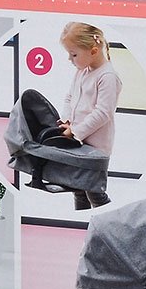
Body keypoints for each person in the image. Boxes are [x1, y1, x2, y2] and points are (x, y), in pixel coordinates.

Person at [59, 22, 122, 209]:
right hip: (78, 143)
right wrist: (66, 120)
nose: (70, 59)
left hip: (96, 148)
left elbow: (103, 112)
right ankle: (84, 223)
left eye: (74, 54)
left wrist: (75, 131)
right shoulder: (81, 72)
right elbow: (70, 97)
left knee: (95, 192)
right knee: (78, 189)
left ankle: (109, 222)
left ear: (93, 51)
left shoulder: (107, 77)